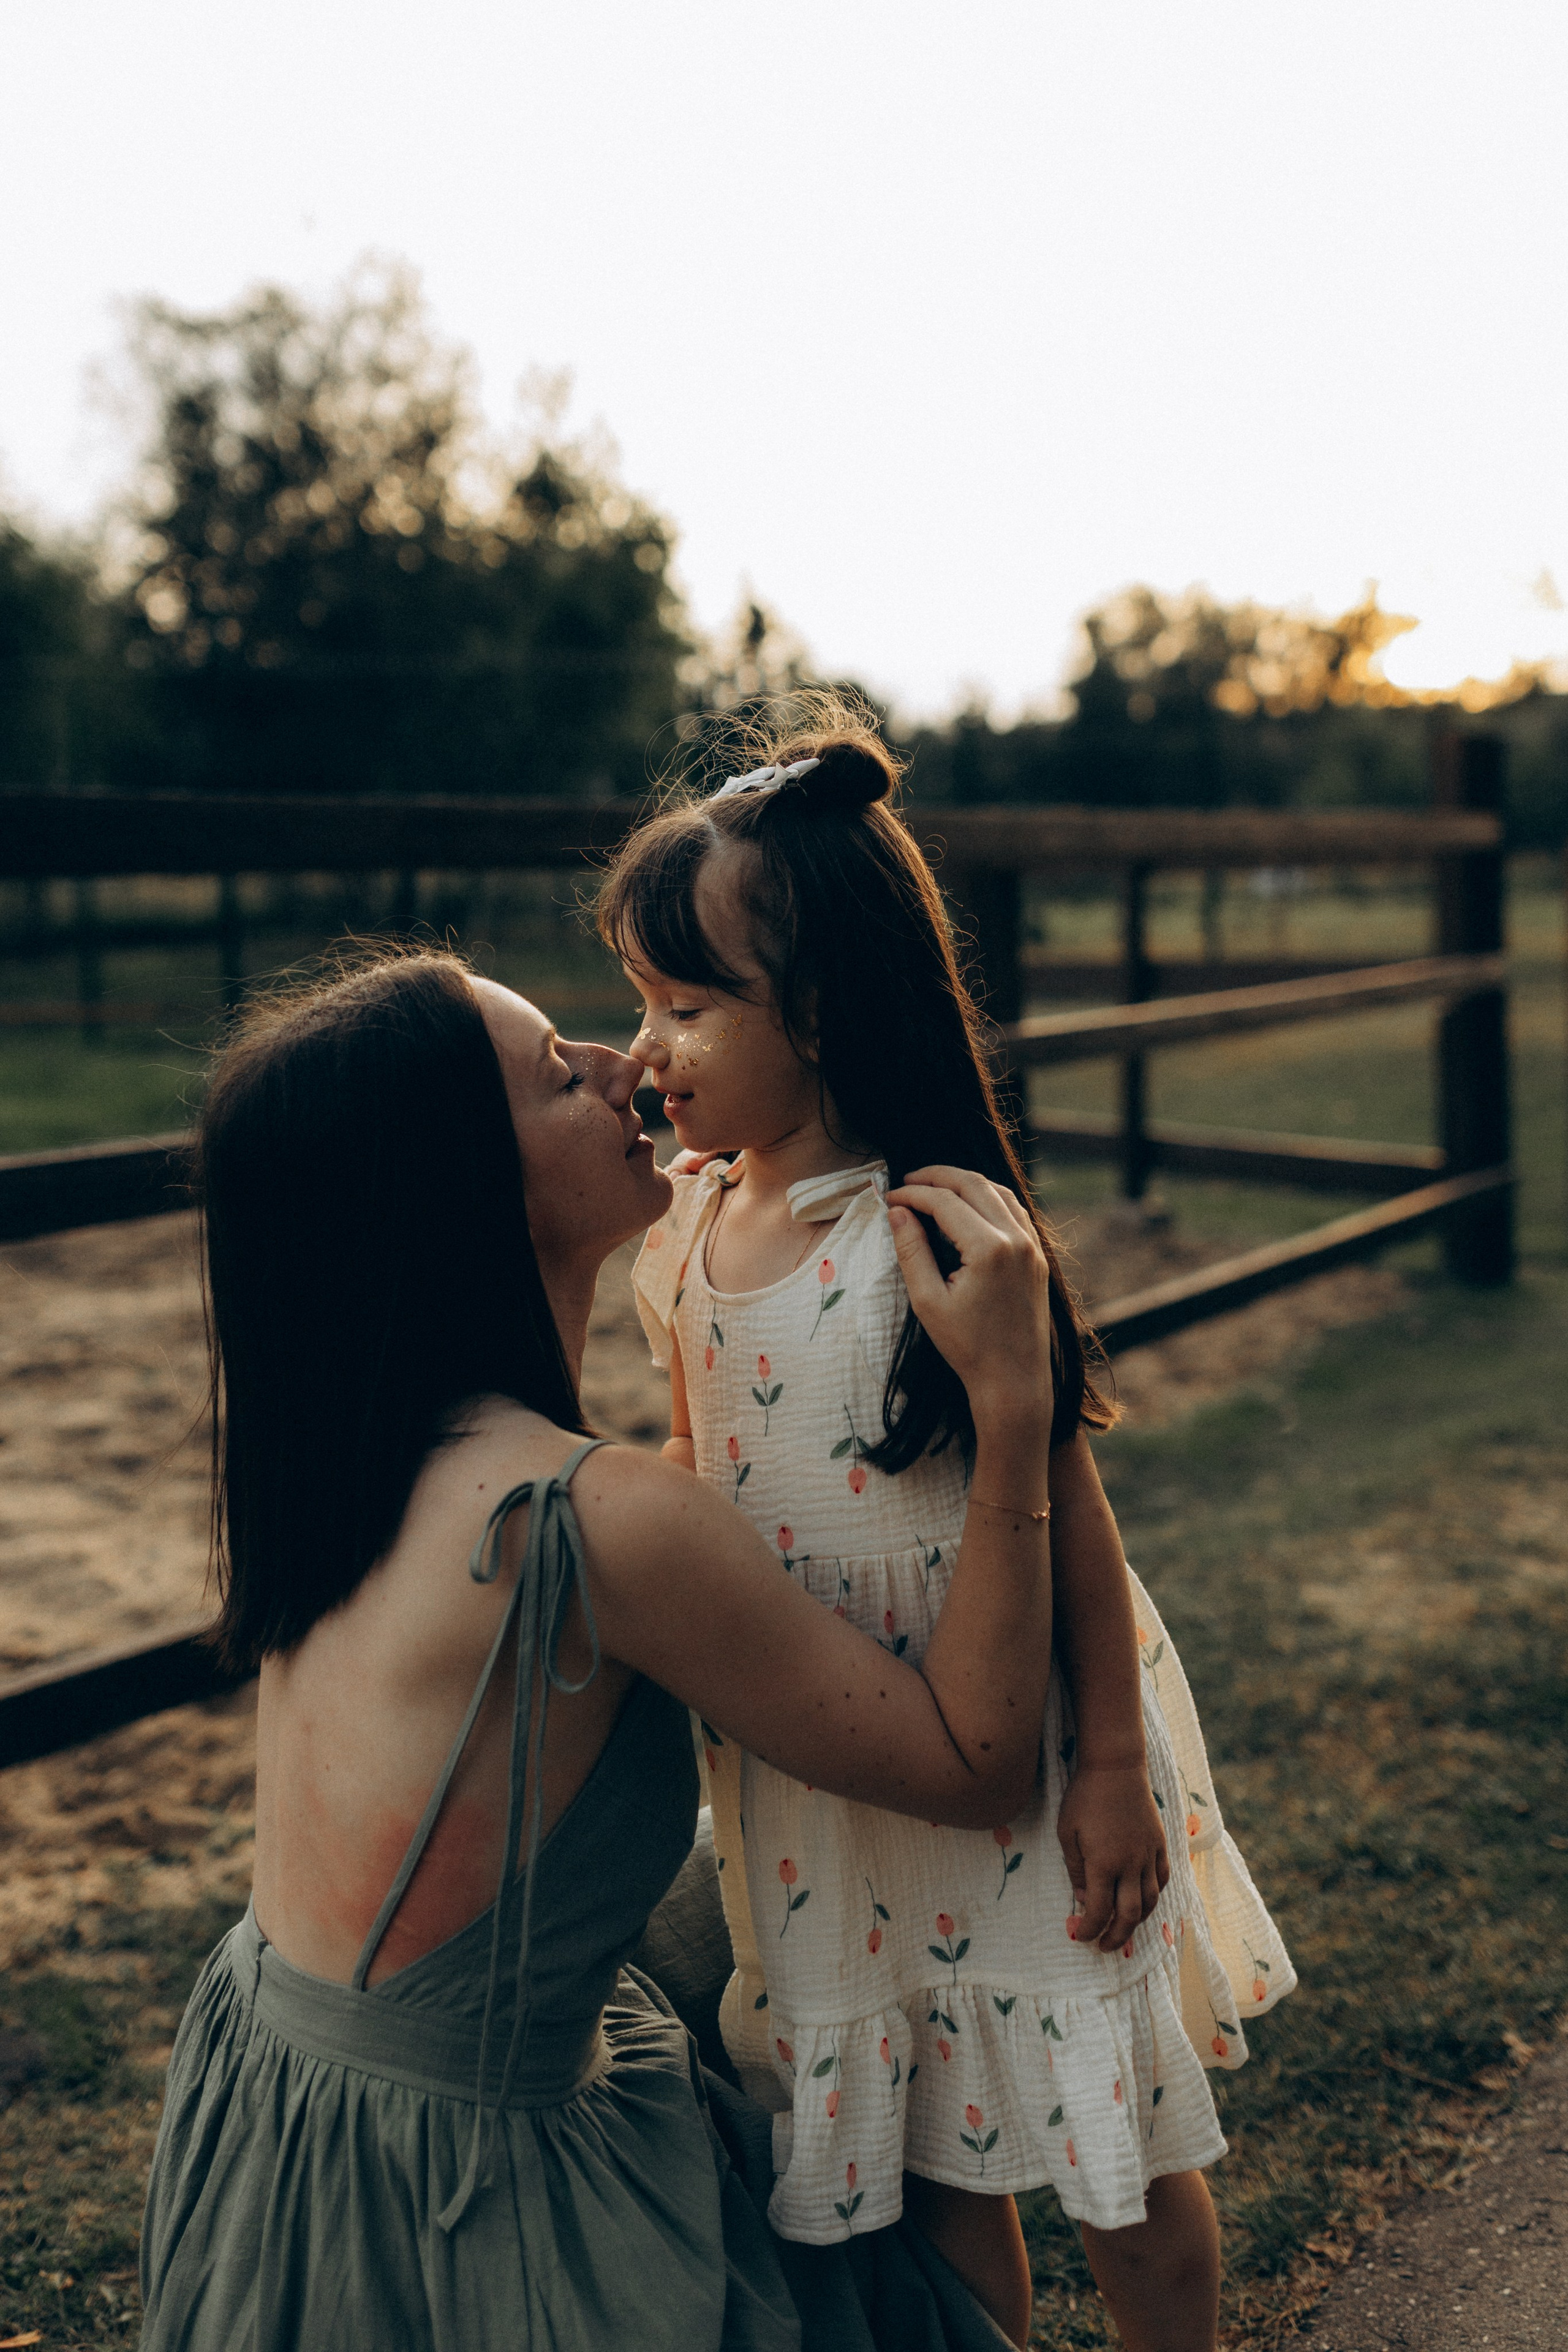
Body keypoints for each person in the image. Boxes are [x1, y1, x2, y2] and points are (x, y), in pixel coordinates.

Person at [138, 945, 1063, 2352]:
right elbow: (975, 1761)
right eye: (550, 1073)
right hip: (452, 2191)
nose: (619, 1066)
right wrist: (1010, 1403)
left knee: (759, 1929)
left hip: (282, 2109)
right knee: (909, 2291)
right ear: (459, 1186)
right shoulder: (596, 1521)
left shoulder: (355, 1455)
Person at [601, 696, 1296, 2352]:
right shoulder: (684, 1236)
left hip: (1031, 1767)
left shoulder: (936, 1241)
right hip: (828, 1781)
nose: (647, 1050)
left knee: (1111, 2157)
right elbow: (703, 1480)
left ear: (826, 1013)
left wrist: (1115, 1763)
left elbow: (1065, 1497)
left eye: (688, 1005)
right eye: (640, 1003)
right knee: (926, 2163)